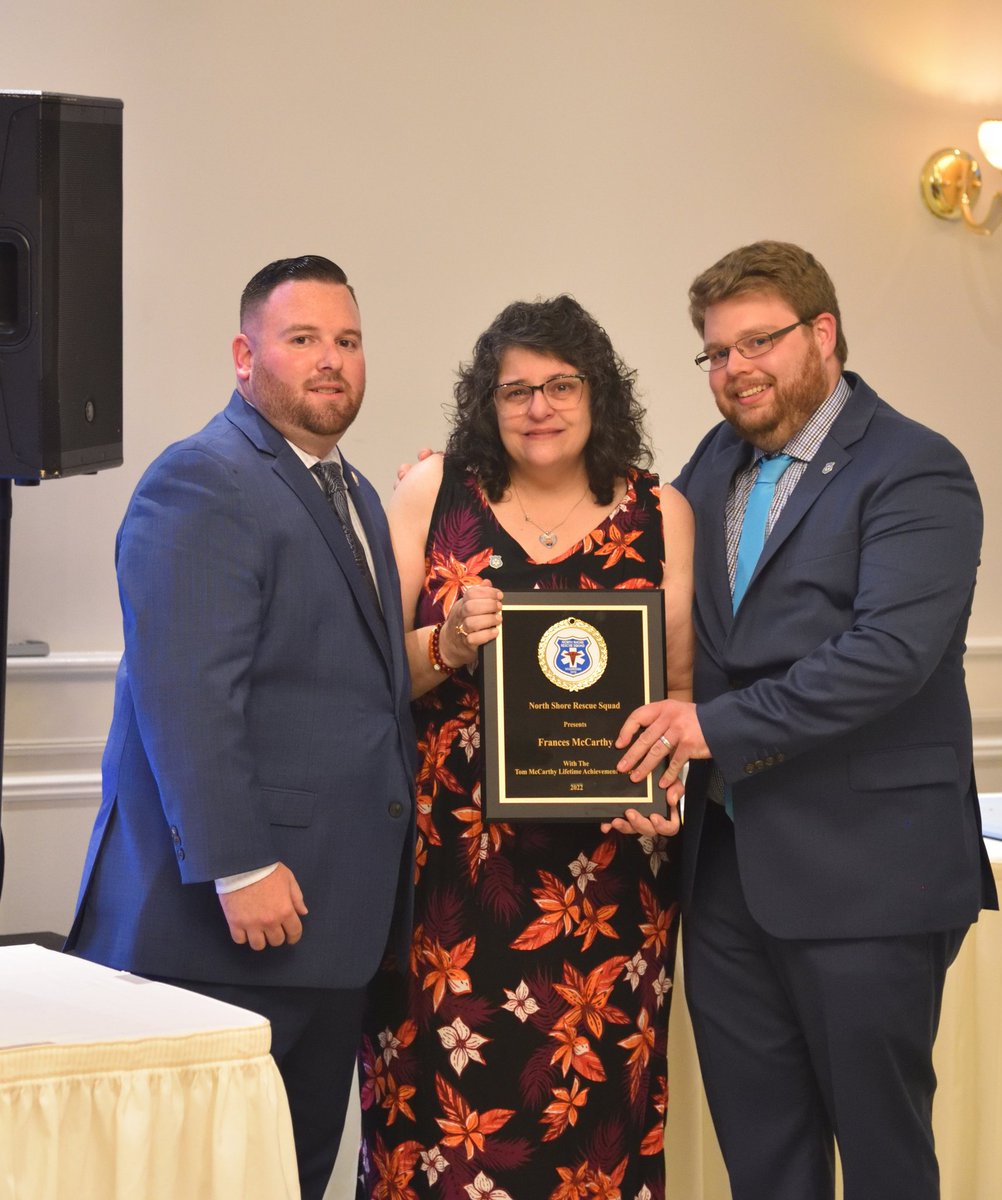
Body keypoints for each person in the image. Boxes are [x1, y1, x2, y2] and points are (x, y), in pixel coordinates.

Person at [615, 241, 997, 1200]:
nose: (735, 369)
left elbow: (889, 658)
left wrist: (712, 728)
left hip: (869, 874)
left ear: (822, 333)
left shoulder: (916, 469)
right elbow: (617, 552)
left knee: (882, 1155)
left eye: (758, 342)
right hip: (727, 874)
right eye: (714, 353)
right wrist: (469, 482)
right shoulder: (710, 467)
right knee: (765, 1158)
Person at [65, 255, 416, 1200]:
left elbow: (349, 686)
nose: (330, 361)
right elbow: (187, 697)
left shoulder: (355, 495)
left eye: (346, 340)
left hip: (328, 930)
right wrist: (242, 864)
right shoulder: (203, 480)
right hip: (230, 926)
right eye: (302, 339)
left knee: (293, 1178)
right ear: (243, 355)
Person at [357, 295, 694, 1200]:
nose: (538, 407)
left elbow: (681, 694)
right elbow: (372, 667)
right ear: (486, 401)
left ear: (598, 393)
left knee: (590, 1138)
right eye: (515, 391)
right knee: (436, 1128)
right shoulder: (432, 493)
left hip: (609, 885)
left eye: (559, 385)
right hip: (450, 878)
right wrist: (451, 645)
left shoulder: (665, 510)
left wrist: (667, 794)